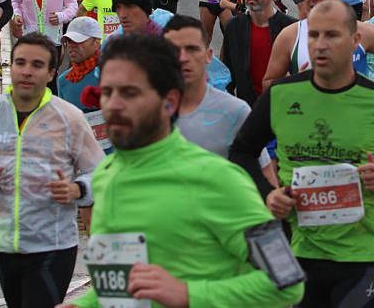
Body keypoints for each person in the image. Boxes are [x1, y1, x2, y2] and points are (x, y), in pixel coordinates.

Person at [57, 32, 305, 308]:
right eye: (107, 92)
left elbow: (286, 282)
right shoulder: (106, 175)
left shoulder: (218, 179)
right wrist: (82, 305)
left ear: (169, 102)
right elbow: (121, 286)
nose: (113, 105)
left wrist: (188, 295)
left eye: (130, 92)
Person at [230, 0, 374, 308]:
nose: (321, 45)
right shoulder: (281, 95)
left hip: (365, 257)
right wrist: (268, 193)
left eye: (332, 35)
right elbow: (241, 152)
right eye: (313, 36)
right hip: (301, 253)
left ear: (355, 41)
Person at [0, 34, 104, 308]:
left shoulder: (69, 117)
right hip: (4, 242)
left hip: (52, 244)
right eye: (20, 63)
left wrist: (77, 189)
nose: (27, 71)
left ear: (51, 73)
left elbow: (102, 172)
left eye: (37, 65)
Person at [163, 15, 276, 184]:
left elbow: (265, 174)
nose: (183, 58)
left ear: (209, 56)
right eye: (173, 50)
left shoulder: (235, 111)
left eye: (192, 49)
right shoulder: (147, 113)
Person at [221, 0, 296, 105]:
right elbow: (226, 73)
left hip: (285, 108)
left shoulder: (291, 28)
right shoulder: (234, 27)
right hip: (248, 110)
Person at [56, 17, 102, 112]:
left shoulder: (111, 73)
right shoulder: (64, 80)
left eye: (78, 41)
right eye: (69, 41)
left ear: (96, 43)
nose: (72, 46)